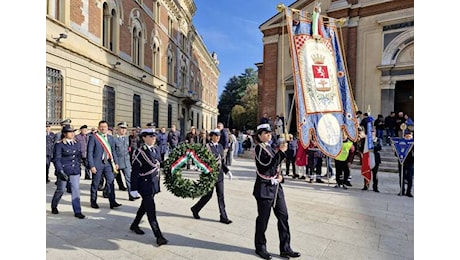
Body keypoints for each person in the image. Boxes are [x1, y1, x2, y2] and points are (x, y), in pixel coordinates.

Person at [252, 123, 301, 259]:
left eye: (269, 133)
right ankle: (260, 247)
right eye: (265, 133)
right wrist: (281, 153)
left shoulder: (271, 148)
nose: (268, 135)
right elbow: (265, 167)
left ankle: (285, 248)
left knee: (283, 216)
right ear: (259, 135)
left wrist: (281, 176)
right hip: (264, 189)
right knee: (263, 219)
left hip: (276, 188)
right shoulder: (259, 149)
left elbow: (276, 166)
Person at [129, 129, 168, 246]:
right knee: (151, 210)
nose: (153, 138)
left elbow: (160, 163)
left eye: (154, 136)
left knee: (144, 206)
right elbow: (134, 172)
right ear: (144, 138)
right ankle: (159, 236)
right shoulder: (139, 152)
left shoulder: (156, 149)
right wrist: (133, 188)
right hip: (144, 185)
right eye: (151, 136)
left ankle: (135, 224)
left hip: (154, 184)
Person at [190, 129, 233, 224]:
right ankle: (195, 209)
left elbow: (222, 161)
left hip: (220, 175)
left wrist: (227, 171)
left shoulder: (221, 147)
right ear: (212, 136)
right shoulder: (207, 147)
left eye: (219, 136)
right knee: (207, 196)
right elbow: (202, 160)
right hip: (210, 175)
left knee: (221, 196)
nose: (218, 137)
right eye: (216, 135)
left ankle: (223, 216)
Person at [50, 125, 85, 219]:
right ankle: (54, 206)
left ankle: (77, 211)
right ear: (65, 134)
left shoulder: (77, 143)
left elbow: (78, 157)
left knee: (76, 190)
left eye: (73, 131)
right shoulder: (59, 144)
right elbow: (57, 159)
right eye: (70, 132)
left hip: (74, 171)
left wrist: (79, 168)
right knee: (60, 190)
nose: (73, 133)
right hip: (64, 170)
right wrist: (60, 171)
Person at [87, 120, 122, 209]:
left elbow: (113, 151)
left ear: (107, 128)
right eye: (101, 126)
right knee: (95, 184)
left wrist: (116, 163)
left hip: (108, 164)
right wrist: (91, 166)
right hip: (97, 164)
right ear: (99, 128)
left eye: (105, 127)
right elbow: (89, 152)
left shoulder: (110, 138)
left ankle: (112, 201)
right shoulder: (94, 137)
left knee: (111, 182)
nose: (103, 128)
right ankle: (93, 201)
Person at [114, 122, 139, 201]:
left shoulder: (127, 138)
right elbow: (112, 151)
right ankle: (106, 192)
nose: (123, 130)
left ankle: (131, 195)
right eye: (122, 128)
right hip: (117, 162)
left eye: (125, 129)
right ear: (117, 129)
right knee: (111, 179)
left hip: (126, 162)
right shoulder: (113, 139)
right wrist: (114, 162)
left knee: (129, 179)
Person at [397, 130, 414, 197]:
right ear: (404, 137)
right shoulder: (401, 143)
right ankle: (402, 190)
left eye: (409, 137)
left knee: (410, 177)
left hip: (410, 162)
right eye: (406, 137)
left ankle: (408, 192)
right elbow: (396, 153)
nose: (408, 138)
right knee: (402, 177)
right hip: (402, 162)